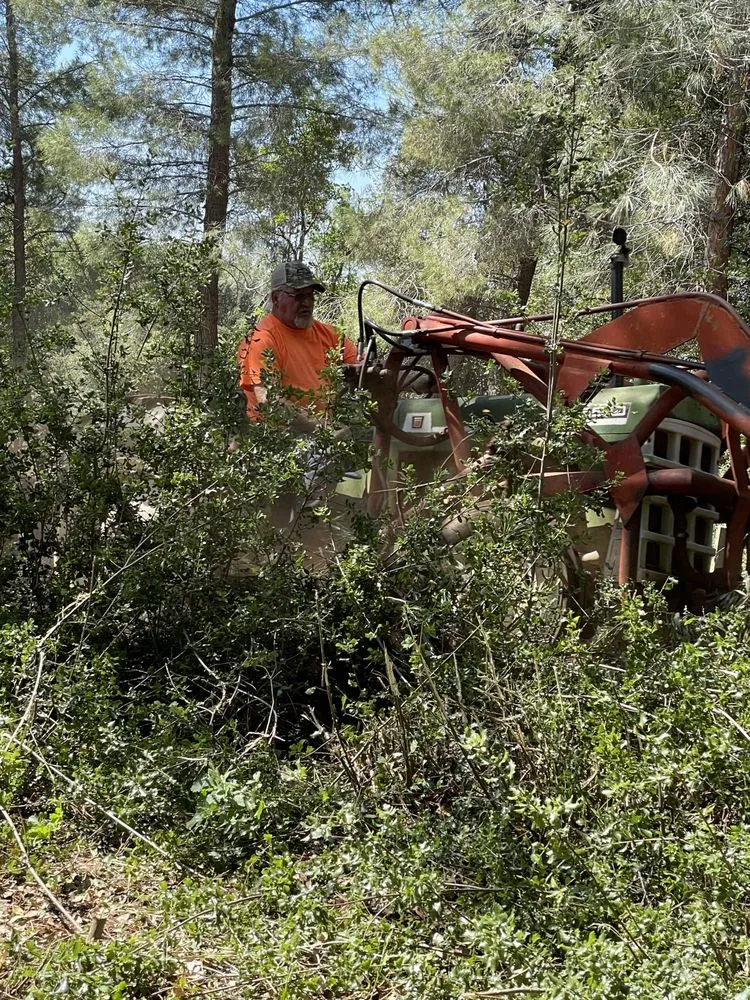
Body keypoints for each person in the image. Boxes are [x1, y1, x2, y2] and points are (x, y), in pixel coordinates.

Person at [237, 260, 359, 432]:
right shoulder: (261, 339)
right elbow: (268, 400)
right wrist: (321, 431)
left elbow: (362, 367)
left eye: (310, 296)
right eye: (299, 296)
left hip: (321, 438)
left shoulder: (329, 335)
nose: (307, 303)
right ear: (276, 298)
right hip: (279, 445)